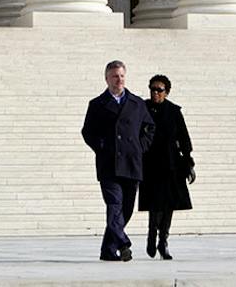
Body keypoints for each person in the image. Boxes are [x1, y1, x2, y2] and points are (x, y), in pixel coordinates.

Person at [80, 59, 156, 262]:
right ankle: (123, 243)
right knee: (114, 205)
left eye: (121, 76)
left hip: (132, 163)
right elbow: (88, 132)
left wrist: (140, 147)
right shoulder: (97, 105)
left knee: (126, 210)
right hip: (109, 165)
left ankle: (108, 249)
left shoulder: (137, 103)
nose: (119, 79)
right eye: (114, 76)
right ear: (106, 79)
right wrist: (103, 147)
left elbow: (149, 128)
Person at [140, 73, 193, 261]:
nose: (155, 93)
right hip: (150, 164)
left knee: (168, 204)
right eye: (153, 89)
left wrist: (188, 164)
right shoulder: (143, 108)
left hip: (171, 164)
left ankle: (163, 241)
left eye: (159, 90)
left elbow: (184, 138)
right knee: (155, 204)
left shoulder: (173, 111)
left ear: (167, 92)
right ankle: (151, 235)